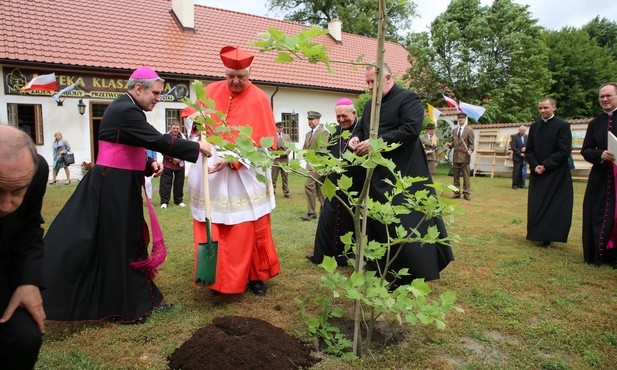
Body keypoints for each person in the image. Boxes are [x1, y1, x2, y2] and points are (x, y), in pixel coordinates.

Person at [42, 66, 212, 323]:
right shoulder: (126, 110)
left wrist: (147, 165)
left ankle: (137, 301)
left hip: (118, 185)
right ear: (138, 88)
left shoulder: (127, 108)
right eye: (155, 93)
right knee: (121, 244)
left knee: (127, 241)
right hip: (113, 188)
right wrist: (197, 147)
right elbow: (158, 140)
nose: (158, 98)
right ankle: (128, 308)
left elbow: (125, 144)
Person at [347, 63, 454, 285]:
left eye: (372, 82)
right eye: (366, 82)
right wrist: (355, 138)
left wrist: (375, 143)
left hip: (404, 174)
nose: (368, 87)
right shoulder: (369, 106)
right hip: (377, 175)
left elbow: (411, 129)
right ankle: (381, 269)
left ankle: (413, 272)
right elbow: (362, 129)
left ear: (387, 78)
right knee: (379, 222)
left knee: (405, 222)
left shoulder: (408, 99)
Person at [186, 46, 280, 296]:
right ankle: (217, 278)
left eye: (241, 77)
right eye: (230, 76)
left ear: (250, 73)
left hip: (245, 172)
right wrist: (196, 125)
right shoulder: (209, 91)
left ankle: (254, 276)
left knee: (248, 226)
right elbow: (190, 116)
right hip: (212, 169)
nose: (235, 82)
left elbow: (264, 144)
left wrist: (231, 160)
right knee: (215, 224)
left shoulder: (259, 98)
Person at [0, 125, 47, 369]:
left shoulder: (36, 172)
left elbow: (29, 226)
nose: (7, 205)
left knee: (24, 338)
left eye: (17, 191)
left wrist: (28, 280)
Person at [307, 98, 363, 266]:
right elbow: (328, 153)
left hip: (354, 185)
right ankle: (323, 255)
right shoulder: (335, 131)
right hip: (334, 183)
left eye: (344, 116)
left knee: (349, 222)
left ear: (354, 114)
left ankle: (347, 257)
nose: (341, 120)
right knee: (328, 219)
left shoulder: (362, 130)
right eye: (338, 117)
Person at [526, 96, 573, 248]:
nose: (542, 111)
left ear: (554, 107)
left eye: (545, 108)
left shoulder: (562, 125)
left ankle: (549, 236)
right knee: (536, 204)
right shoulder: (534, 126)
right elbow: (529, 150)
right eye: (540, 108)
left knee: (553, 205)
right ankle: (536, 233)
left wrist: (545, 165)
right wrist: (535, 165)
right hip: (538, 172)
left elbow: (564, 150)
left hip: (555, 172)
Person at [581, 82, 617, 267]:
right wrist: (600, 155)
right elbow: (585, 150)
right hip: (601, 175)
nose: (604, 99)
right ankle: (597, 253)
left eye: (608, 95)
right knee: (596, 213)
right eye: (601, 96)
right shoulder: (595, 123)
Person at [301, 111, 329, 221]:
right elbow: (305, 146)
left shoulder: (323, 132)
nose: (310, 121)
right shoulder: (308, 134)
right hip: (310, 164)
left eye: (312, 119)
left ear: (318, 120)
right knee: (318, 188)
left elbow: (323, 148)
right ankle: (325, 209)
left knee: (308, 185)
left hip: (318, 164)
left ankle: (311, 212)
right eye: (309, 119)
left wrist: (311, 155)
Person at [446, 112, 474, 200]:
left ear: (465, 119)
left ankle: (466, 193)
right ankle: (456, 193)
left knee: (466, 176)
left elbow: (471, 144)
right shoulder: (454, 130)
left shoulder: (469, 130)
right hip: (455, 156)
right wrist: (450, 144)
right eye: (459, 118)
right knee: (455, 176)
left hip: (465, 156)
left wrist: (470, 150)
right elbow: (453, 143)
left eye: (462, 118)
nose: (460, 119)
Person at [159, 121, 187, 208]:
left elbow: (186, 150)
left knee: (179, 183)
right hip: (168, 164)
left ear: (180, 128)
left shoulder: (183, 137)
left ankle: (178, 201)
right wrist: (172, 158)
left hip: (180, 164)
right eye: (174, 128)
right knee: (165, 183)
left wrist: (179, 158)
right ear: (171, 128)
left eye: (177, 128)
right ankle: (164, 202)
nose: (175, 130)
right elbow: (162, 149)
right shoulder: (166, 136)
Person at [272, 121, 291, 198]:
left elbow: (290, 146)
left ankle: (286, 193)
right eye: (279, 127)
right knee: (274, 177)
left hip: (284, 159)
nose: (280, 129)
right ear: (276, 128)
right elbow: (270, 148)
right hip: (276, 159)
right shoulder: (272, 136)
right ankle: (272, 193)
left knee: (285, 177)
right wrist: (276, 154)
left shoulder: (286, 136)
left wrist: (286, 152)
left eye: (281, 127)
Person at [510, 125, 528, 189]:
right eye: (521, 130)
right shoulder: (515, 137)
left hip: (525, 157)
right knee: (516, 171)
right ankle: (514, 184)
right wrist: (520, 153)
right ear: (519, 130)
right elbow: (513, 147)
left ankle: (520, 184)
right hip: (517, 157)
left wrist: (526, 149)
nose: (522, 131)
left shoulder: (527, 137)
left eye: (524, 130)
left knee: (522, 172)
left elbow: (529, 146)